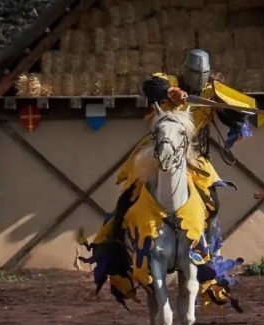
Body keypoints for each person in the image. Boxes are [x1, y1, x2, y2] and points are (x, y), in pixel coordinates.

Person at [79, 49, 254, 309]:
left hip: (194, 157)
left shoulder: (211, 92)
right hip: (159, 149)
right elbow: (151, 86)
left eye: (202, 74)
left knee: (213, 201)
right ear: (185, 71)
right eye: (194, 73)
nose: (197, 78)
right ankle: (116, 242)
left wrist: (232, 114)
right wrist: (170, 92)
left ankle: (206, 250)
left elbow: (236, 115)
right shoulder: (169, 81)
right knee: (130, 193)